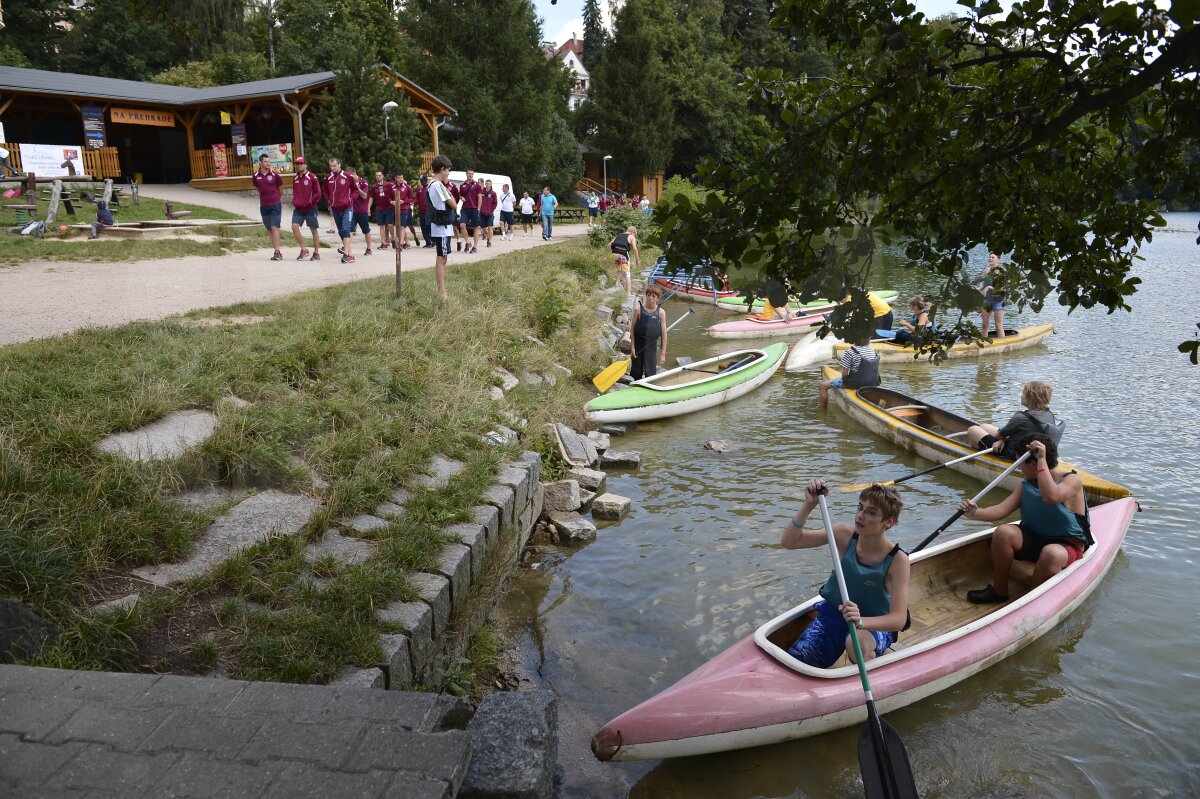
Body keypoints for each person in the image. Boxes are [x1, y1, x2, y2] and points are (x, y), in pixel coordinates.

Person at [782, 480, 910, 668]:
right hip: (835, 614)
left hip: (873, 626)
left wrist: (860, 621)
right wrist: (809, 504)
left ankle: (876, 661)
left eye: (871, 512)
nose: (860, 515)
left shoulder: (898, 561)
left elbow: (899, 620)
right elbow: (790, 542)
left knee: (855, 644)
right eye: (860, 507)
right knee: (799, 660)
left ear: (889, 522)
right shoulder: (843, 534)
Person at [960, 435, 1092, 604]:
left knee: (1050, 553)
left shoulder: (1071, 481)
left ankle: (1029, 602)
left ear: (1034, 464)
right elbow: (1001, 510)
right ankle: (999, 591)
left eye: (1021, 463)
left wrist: (1042, 458)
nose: (1019, 468)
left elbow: (1051, 496)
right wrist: (975, 513)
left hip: (1065, 547)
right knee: (1003, 532)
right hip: (1036, 541)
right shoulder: (1026, 485)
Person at [965, 380, 1065, 459]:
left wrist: (1001, 440)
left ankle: (986, 456)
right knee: (984, 426)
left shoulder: (1020, 417)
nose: (1021, 395)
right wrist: (1002, 439)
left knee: (972, 429)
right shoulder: (1050, 415)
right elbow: (1004, 435)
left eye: (1024, 393)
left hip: (1011, 454)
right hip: (1029, 452)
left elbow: (997, 435)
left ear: (1031, 399)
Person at [426, 154, 457, 300]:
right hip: (441, 226)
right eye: (448, 170)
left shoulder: (435, 185)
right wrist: (451, 196)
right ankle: (442, 292)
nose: (448, 173)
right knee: (441, 258)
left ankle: (442, 290)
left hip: (443, 225)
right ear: (442, 169)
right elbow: (453, 203)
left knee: (443, 257)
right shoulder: (437, 185)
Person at [819, 336, 880, 409]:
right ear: (869, 339)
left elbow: (844, 374)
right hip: (872, 383)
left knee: (823, 386)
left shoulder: (850, 352)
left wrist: (845, 382)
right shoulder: (873, 351)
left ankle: (822, 411)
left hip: (854, 383)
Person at [629, 282, 668, 380]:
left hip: (651, 344)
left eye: (653, 296)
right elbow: (632, 329)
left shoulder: (661, 313)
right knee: (636, 371)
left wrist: (663, 353)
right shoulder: (638, 309)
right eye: (648, 295)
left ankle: (648, 388)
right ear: (646, 296)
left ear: (657, 298)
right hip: (638, 343)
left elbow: (664, 334)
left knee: (650, 372)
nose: (650, 298)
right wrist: (632, 347)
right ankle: (635, 388)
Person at [251, 153, 284, 261]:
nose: (268, 163)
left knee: (275, 227)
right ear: (260, 163)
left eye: (269, 161)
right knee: (269, 228)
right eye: (265, 161)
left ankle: (277, 251)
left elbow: (281, 187)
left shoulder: (275, 175)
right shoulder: (255, 175)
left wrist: (276, 198)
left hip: (275, 204)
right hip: (264, 205)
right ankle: (275, 250)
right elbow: (257, 187)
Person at [290, 156, 322, 261]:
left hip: (310, 208)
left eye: (301, 163)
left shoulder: (312, 177)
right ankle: (304, 250)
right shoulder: (295, 178)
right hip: (299, 208)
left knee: (313, 230)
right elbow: (295, 191)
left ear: (305, 165)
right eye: (297, 164)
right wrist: (295, 201)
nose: (299, 165)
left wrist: (311, 202)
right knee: (294, 227)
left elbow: (318, 193)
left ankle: (316, 253)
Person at [323, 157, 355, 264]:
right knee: (341, 232)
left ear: (339, 165)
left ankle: (346, 254)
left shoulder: (347, 176)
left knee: (346, 230)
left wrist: (350, 199)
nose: (332, 168)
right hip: (335, 208)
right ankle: (350, 255)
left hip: (347, 208)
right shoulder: (328, 177)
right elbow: (325, 191)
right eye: (331, 166)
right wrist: (329, 201)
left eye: (334, 166)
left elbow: (355, 190)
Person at [345, 166, 373, 256]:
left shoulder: (363, 182)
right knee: (349, 230)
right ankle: (347, 249)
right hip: (351, 210)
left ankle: (369, 248)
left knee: (366, 230)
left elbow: (364, 196)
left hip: (362, 210)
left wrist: (357, 188)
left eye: (350, 176)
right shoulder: (349, 183)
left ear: (354, 174)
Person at [979, 253, 1007, 337]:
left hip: (998, 300)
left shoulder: (1001, 272)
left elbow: (1002, 288)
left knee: (998, 325)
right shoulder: (985, 271)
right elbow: (983, 286)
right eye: (989, 257)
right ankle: (983, 345)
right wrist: (978, 290)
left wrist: (989, 287)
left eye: (993, 257)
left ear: (997, 259)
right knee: (984, 325)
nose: (990, 258)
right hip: (987, 301)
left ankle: (1003, 345)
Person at [609, 225, 640, 295]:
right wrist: (637, 260)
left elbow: (609, 245)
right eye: (635, 234)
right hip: (623, 254)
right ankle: (629, 293)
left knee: (619, 268)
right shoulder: (632, 236)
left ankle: (617, 283)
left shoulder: (619, 235)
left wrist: (616, 250)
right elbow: (634, 249)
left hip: (614, 254)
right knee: (627, 273)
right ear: (633, 232)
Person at [458, 168, 482, 253]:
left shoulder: (477, 185)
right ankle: (468, 242)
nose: (470, 175)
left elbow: (480, 197)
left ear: (473, 174)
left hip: (474, 208)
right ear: (466, 174)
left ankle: (475, 247)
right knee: (462, 225)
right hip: (465, 209)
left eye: (472, 174)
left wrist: (478, 208)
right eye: (469, 173)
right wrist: (461, 198)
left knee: (476, 227)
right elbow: (460, 195)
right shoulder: (462, 184)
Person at [371, 170, 395, 251]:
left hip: (388, 208)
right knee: (381, 226)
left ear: (383, 176)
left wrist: (394, 202)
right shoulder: (374, 186)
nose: (378, 177)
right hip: (379, 208)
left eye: (379, 175)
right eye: (376, 175)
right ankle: (383, 243)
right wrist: (368, 208)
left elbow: (394, 194)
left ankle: (393, 239)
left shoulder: (388, 185)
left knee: (390, 225)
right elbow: (371, 197)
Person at [400, 174, 422, 247]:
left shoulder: (407, 186)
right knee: (402, 226)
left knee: (410, 225)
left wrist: (409, 202)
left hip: (407, 208)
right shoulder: (394, 186)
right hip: (400, 209)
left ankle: (415, 236)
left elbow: (411, 197)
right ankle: (406, 242)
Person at [479, 179, 497, 247]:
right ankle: (488, 237)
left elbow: (495, 203)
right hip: (482, 213)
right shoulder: (481, 192)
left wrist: (491, 210)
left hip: (490, 214)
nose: (488, 185)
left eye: (489, 184)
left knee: (490, 227)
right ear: (485, 184)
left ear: (491, 185)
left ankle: (489, 241)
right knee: (483, 228)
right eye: (486, 183)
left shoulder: (493, 193)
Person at [416, 174, 433, 247]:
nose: (422, 182)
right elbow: (416, 199)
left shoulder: (430, 188)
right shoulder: (419, 189)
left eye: (423, 181)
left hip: (429, 211)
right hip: (421, 211)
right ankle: (428, 242)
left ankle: (433, 240)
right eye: (421, 181)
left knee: (428, 226)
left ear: (426, 180)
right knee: (423, 227)